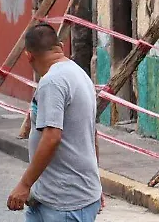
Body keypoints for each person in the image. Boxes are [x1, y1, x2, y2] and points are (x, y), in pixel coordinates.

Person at [7, 23, 103, 221]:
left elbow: (52, 138)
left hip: (65, 203)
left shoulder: (53, 82)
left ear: (29, 56)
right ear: (59, 46)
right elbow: (91, 134)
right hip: (51, 199)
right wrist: (96, 184)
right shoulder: (79, 74)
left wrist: (24, 185)